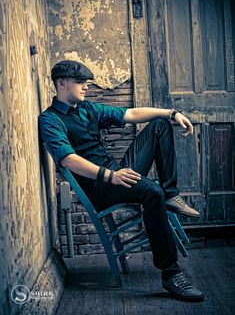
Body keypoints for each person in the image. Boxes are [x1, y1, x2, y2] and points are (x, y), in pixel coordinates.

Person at [39, 60, 204, 302]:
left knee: (159, 125)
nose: (86, 87)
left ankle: (171, 193)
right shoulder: (50, 119)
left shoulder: (88, 109)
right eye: (80, 82)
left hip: (117, 172)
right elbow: (68, 160)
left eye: (87, 82)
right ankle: (171, 274)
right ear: (61, 84)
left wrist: (172, 113)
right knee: (152, 193)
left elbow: (132, 114)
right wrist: (109, 176)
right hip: (100, 185)